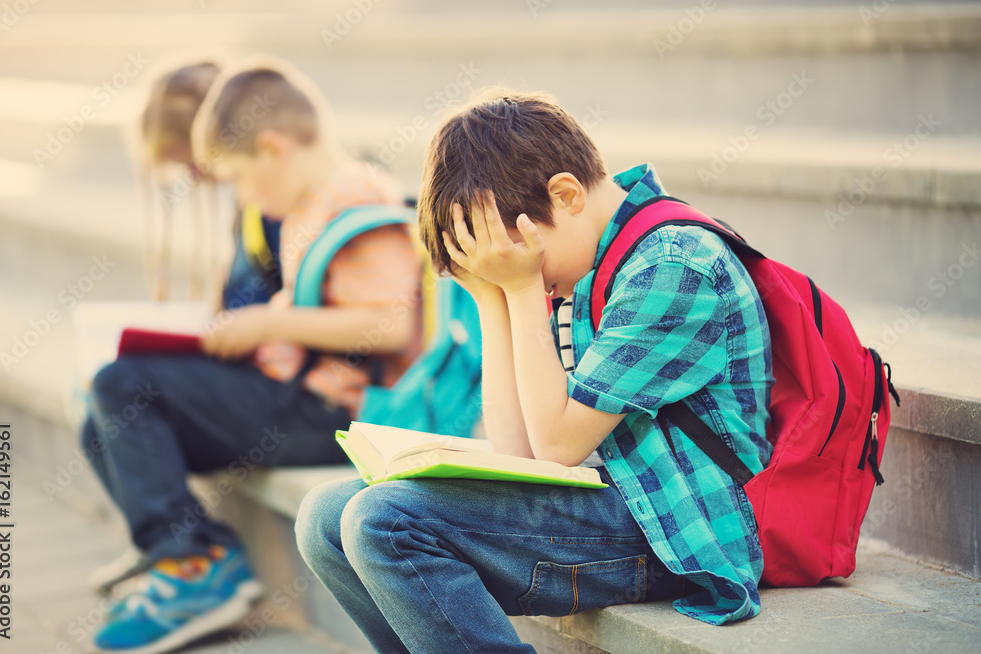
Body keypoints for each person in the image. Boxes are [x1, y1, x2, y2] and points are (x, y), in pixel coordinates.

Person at [295, 89, 775, 652]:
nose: (523, 276)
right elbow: (518, 449)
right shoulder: (579, 259)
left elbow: (553, 448)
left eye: (518, 260)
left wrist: (521, 288)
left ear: (566, 195)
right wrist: (494, 298)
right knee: (325, 518)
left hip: (680, 530)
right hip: (612, 503)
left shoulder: (669, 267)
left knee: (385, 521)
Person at [81, 58, 421, 654]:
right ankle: (189, 555)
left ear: (273, 149)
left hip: (328, 414)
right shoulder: (310, 201)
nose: (242, 196)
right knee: (102, 418)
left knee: (122, 386)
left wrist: (268, 321)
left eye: (240, 178)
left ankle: (195, 567)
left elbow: (393, 325)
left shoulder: (352, 195)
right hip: (290, 396)